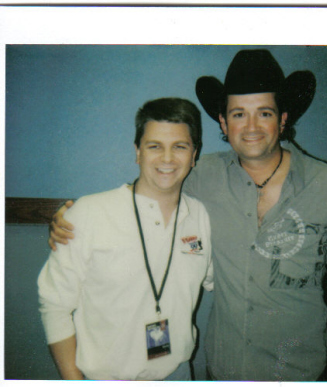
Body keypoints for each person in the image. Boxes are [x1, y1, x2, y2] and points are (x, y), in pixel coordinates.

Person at [48, 49, 327, 382]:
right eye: (239, 114)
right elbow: (152, 185)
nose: (251, 126)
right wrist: (72, 217)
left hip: (297, 373)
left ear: (283, 118)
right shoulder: (202, 176)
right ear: (224, 123)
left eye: (265, 113)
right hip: (222, 371)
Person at [38, 98, 213, 381]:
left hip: (178, 373)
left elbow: (216, 277)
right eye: (154, 146)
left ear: (194, 154)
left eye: (179, 146)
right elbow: (54, 306)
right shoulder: (88, 213)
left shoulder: (200, 216)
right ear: (137, 152)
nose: (167, 158)